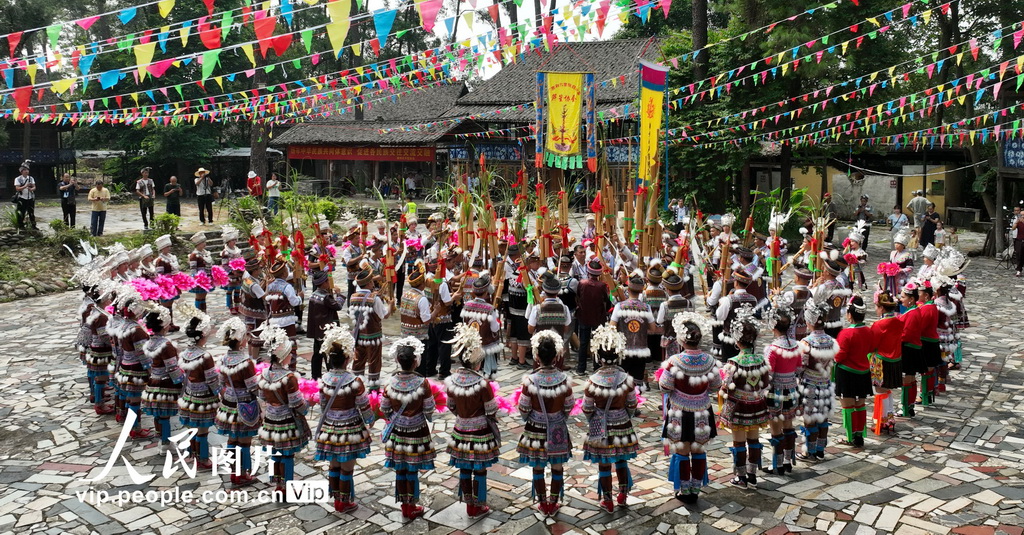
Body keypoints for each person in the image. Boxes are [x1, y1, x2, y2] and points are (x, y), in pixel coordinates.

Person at [314, 324, 374, 513]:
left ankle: (336, 499)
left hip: (330, 428)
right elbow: (364, 406)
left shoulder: (324, 380)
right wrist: (372, 419)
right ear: (347, 359)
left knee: (334, 464)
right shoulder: (354, 382)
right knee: (347, 466)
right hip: (350, 429)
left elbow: (323, 405)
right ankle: (345, 501)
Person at [660, 312, 719, 503]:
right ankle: (695, 487)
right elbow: (717, 385)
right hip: (702, 410)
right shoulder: (709, 361)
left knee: (683, 449)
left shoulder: (674, 362)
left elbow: (665, 386)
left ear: (681, 338)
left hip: (680, 411)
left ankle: (684, 490)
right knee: (699, 449)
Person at [444, 323, 502, 518]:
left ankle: (469, 503)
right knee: (480, 469)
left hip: (460, 430)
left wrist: (462, 416)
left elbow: (451, 405)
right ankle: (478, 504)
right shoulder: (482, 384)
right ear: (477, 363)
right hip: (480, 432)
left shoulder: (452, 381)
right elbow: (491, 409)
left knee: (464, 467)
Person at [582, 324, 639, 512]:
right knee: (621, 459)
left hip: (600, 425)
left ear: (598, 356)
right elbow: (632, 404)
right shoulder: (626, 379)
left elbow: (586, 408)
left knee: (604, 463)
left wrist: (594, 419)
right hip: (622, 422)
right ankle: (623, 495)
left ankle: (607, 500)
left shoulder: (592, 382)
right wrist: (625, 415)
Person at [517, 331, 574, 515]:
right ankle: (553, 502)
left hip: (535, 428)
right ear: (556, 356)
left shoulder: (530, 381)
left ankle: (542, 503)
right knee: (557, 465)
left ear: (536, 356)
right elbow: (569, 404)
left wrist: (529, 417)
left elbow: (523, 407)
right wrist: (560, 417)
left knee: (538, 465)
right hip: (557, 427)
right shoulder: (564, 380)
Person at [380, 337, 436, 521]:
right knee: (412, 468)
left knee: (400, 468)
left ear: (398, 360)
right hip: (417, 431)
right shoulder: (423, 383)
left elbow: (385, 408)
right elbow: (429, 409)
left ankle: (404, 505)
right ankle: (411, 505)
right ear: (415, 361)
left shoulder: (390, 383)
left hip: (397, 431)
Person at [257, 325, 311, 500]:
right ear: (283, 356)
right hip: (287, 420)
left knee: (275, 452)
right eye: (290, 353)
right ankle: (287, 486)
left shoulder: (264, 373)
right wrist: (308, 404)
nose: (292, 356)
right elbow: (296, 403)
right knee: (287, 454)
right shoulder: (289, 378)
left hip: (271, 418)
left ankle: (277, 484)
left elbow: (261, 395)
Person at [719, 304, 768, 488]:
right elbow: (765, 382)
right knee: (754, 439)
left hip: (739, 408)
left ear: (737, 341)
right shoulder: (761, 360)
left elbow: (726, 387)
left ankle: (741, 477)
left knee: (738, 441)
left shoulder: (733, 362)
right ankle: (752, 474)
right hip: (757, 405)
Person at [215, 317, 260, 487]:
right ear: (241, 340)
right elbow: (252, 387)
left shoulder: (224, 359)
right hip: (244, 404)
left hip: (228, 403)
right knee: (244, 440)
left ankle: (234, 472)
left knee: (232, 440)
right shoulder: (245, 363)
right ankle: (244, 473)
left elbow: (220, 382)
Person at [175, 303, 220, 469]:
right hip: (203, 398)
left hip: (188, 395)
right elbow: (211, 380)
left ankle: (192, 454)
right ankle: (202, 459)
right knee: (202, 430)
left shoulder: (185, 353)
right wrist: (220, 391)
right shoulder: (205, 356)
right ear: (202, 336)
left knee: (192, 427)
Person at [798, 299, 838, 458]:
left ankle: (810, 451)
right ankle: (821, 449)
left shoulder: (806, 342)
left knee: (810, 419)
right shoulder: (831, 341)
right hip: (826, 383)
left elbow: (801, 366)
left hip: (810, 384)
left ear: (810, 322)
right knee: (823, 418)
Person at [764, 306, 801, 474]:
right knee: (788, 424)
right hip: (792, 389)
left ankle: (777, 463)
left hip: (776, 391)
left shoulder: (772, 349)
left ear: (773, 326)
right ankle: (787, 460)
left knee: (775, 427)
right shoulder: (796, 346)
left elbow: (769, 374)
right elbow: (799, 368)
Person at [834, 296, 873, 448]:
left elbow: (839, 355)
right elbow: (870, 348)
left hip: (847, 372)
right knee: (860, 404)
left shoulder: (846, 334)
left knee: (848, 405)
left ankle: (851, 436)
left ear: (850, 314)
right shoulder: (868, 331)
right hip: (863, 372)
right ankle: (859, 435)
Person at [141, 303, 182, 446]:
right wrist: (182, 381)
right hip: (165, 384)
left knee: (157, 414)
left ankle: (161, 438)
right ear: (165, 326)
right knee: (164, 416)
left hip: (153, 381)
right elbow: (172, 369)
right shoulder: (166, 345)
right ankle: (165, 443)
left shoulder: (149, 342)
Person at [349, 270, 390, 391]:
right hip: (373, 336)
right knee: (374, 362)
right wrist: (391, 305)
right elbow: (384, 315)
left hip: (359, 335)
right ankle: (373, 388)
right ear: (368, 283)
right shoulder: (375, 299)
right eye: (371, 281)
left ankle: (356, 386)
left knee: (358, 360)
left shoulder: (353, 296)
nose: (373, 282)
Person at [869, 291, 903, 434]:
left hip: (881, 360)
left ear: (882, 308)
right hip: (895, 359)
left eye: (877, 307)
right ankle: (890, 417)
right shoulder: (899, 321)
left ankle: (882, 420)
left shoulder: (878, 324)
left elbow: (872, 344)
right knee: (887, 390)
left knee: (880, 391)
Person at [307, 270, 345, 380]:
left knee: (317, 355)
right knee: (329, 355)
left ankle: (315, 377)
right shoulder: (326, 297)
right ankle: (332, 377)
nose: (329, 282)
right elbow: (338, 306)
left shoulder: (313, 295)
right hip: (326, 332)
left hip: (317, 332)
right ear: (323, 283)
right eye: (327, 281)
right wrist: (339, 294)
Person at [266, 261, 303, 372]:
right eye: (287, 270)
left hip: (274, 320)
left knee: (277, 344)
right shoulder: (287, 287)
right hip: (287, 321)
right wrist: (300, 297)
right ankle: (291, 369)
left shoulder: (271, 285)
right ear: (283, 274)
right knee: (291, 345)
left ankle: (278, 366)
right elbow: (294, 302)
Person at [576, 259, 611, 376]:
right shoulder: (602, 286)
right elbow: (607, 301)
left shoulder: (582, 283)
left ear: (588, 271)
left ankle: (581, 368)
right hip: (598, 317)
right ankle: (596, 367)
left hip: (584, 316)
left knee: (583, 343)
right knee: (597, 342)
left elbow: (578, 297)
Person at [898, 283, 925, 417]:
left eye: (903, 297)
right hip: (913, 348)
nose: (901, 299)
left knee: (907, 380)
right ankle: (909, 406)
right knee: (911, 379)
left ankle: (906, 408)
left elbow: (906, 335)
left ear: (912, 299)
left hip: (909, 349)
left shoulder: (912, 313)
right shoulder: (913, 311)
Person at [188, 232, 213, 312]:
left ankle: (203, 311)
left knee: (204, 296)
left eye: (204, 242)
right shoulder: (194, 255)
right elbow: (193, 269)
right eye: (203, 242)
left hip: (206, 277)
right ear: (198, 244)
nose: (204, 244)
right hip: (199, 279)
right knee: (199, 296)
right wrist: (196, 279)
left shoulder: (205, 253)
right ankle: (199, 313)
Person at [13, 163, 37, 230]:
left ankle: (33, 225)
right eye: (25, 170)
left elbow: (34, 187)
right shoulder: (18, 179)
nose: (26, 171)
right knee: (21, 212)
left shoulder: (31, 178)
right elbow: (17, 188)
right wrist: (25, 186)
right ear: (21, 171)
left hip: (30, 197)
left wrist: (32, 189)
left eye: (27, 170)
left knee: (31, 212)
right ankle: (21, 226)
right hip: (22, 197)